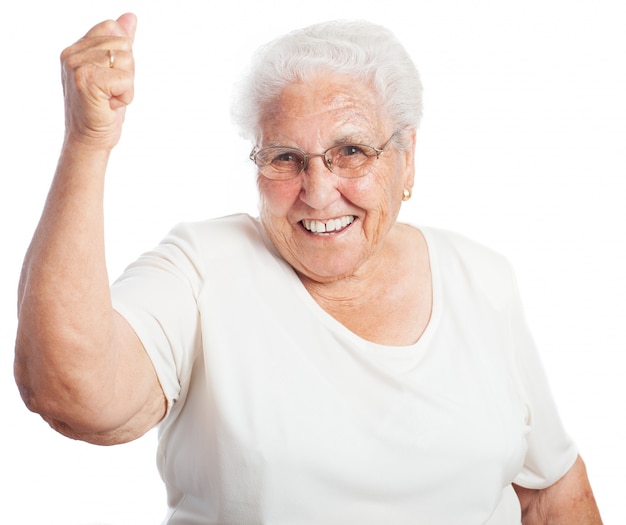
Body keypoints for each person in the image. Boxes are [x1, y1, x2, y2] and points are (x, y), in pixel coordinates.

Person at [14, 12, 602, 525]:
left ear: (407, 159)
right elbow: (73, 394)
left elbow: (551, 491)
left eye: (351, 151)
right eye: (286, 158)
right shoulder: (204, 268)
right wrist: (87, 143)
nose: (319, 192)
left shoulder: (482, 277)